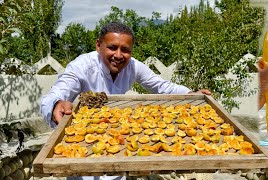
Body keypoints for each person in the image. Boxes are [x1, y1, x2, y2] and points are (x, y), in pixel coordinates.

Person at [40, 21, 211, 128]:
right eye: (112, 47)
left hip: (117, 142)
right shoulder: (82, 67)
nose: (119, 55)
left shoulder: (134, 66)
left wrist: (190, 94)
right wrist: (56, 104)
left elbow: (161, 86)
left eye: (126, 50)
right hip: (82, 156)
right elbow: (58, 92)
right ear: (99, 46)